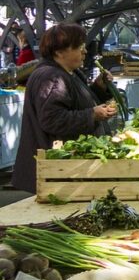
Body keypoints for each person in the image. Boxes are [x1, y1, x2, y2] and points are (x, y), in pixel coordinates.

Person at [12, 23, 118, 193]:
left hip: (64, 169)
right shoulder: (51, 77)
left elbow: (76, 102)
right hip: (56, 171)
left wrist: (99, 88)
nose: (84, 51)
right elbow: (53, 120)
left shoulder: (67, 72)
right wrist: (92, 115)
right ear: (59, 52)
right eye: (79, 47)